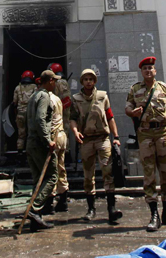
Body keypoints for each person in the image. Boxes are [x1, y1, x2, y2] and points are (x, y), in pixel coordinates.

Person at [125, 56, 166, 232]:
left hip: (163, 133)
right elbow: (127, 108)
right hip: (145, 134)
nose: (148, 71)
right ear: (141, 72)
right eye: (145, 69)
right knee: (149, 174)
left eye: (151, 68)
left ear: (155, 71)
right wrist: (132, 113)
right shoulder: (135, 89)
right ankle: (154, 215)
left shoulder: (164, 88)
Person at [70, 67, 123, 224]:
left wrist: (116, 137)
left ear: (94, 81)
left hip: (102, 138)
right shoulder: (76, 98)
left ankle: (111, 209)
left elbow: (110, 116)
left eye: (91, 79)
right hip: (86, 140)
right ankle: (90, 209)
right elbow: (72, 118)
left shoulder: (102, 96)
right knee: (88, 175)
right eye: (85, 79)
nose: (88, 82)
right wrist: (74, 131)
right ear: (82, 81)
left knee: (108, 171)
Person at [24, 69, 61, 230]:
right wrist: (47, 140)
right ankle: (34, 209)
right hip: (40, 143)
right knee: (52, 175)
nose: (56, 83)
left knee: (38, 179)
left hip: (31, 142)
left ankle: (35, 218)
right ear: (50, 81)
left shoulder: (33, 96)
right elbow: (40, 119)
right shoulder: (44, 96)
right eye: (55, 80)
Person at [47, 62, 72, 212]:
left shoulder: (59, 83)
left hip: (59, 118)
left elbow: (66, 100)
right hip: (62, 116)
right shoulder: (62, 82)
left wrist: (56, 110)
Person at [13, 70, 37, 153]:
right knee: (31, 133)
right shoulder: (34, 87)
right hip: (31, 113)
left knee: (21, 134)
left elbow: (14, 102)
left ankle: (20, 153)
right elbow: (36, 100)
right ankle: (31, 153)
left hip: (20, 113)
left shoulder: (17, 88)